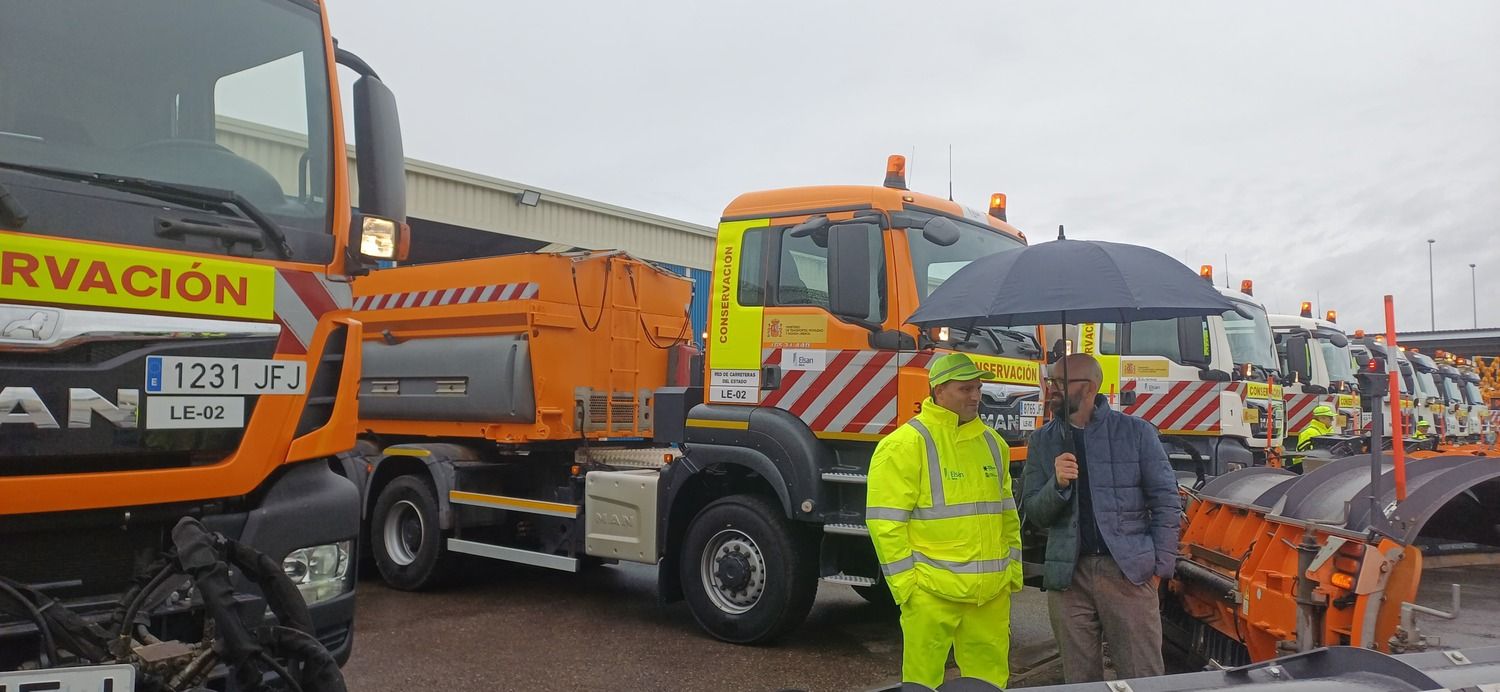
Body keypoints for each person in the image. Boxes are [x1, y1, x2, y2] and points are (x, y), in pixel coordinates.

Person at [866, 352, 1023, 689]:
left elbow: (1007, 515)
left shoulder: (993, 444)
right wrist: (908, 588)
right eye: (965, 389)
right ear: (938, 391)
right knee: (922, 683)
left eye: (978, 388)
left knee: (990, 684)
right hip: (932, 594)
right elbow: (885, 523)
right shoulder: (904, 445)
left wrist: (1011, 572)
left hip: (990, 596)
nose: (976, 396)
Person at [1021, 353, 1180, 683]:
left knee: (1142, 677)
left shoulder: (1136, 433)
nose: (1052, 389)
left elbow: (1166, 501)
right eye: (1050, 381)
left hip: (1127, 572)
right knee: (1079, 681)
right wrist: (1057, 485)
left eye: (1061, 382)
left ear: (1090, 388)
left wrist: (1159, 568)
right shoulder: (1042, 441)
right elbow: (1034, 513)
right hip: (1068, 578)